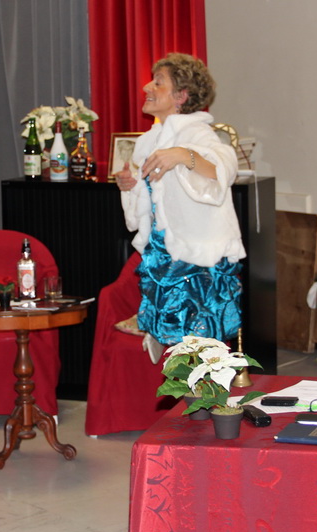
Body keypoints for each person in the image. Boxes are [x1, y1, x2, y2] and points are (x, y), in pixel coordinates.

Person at [114, 53, 244, 362]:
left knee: (199, 348)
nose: (147, 87)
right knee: (175, 349)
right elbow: (149, 202)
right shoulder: (149, 141)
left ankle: (206, 393)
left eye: (158, 82)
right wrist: (130, 186)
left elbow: (224, 167)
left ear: (181, 96)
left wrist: (184, 155)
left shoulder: (197, 133)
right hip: (163, 257)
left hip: (197, 260)